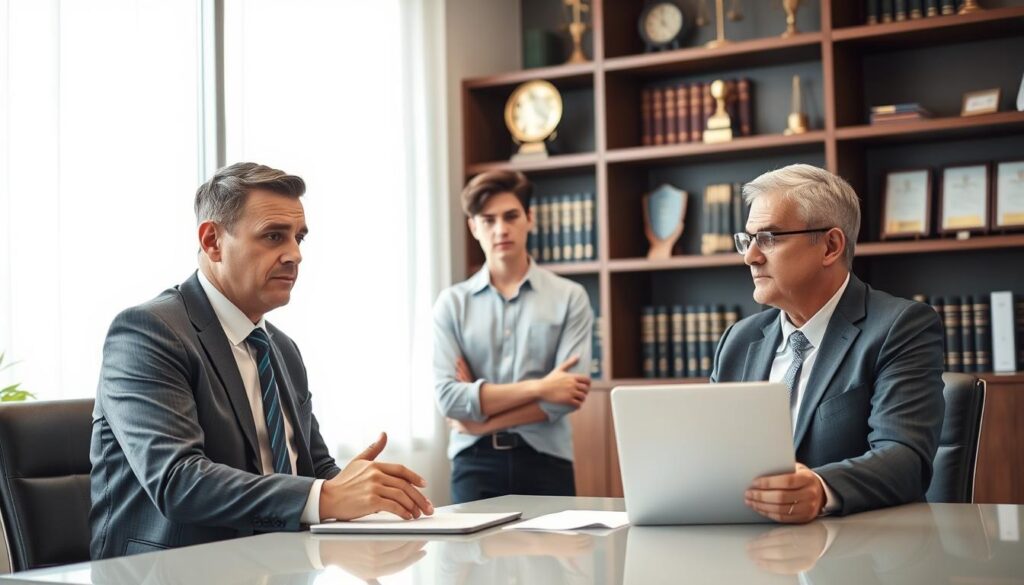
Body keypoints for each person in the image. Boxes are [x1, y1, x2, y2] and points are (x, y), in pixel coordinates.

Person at [90, 162, 432, 559]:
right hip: (173, 570)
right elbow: (178, 482)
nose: (295, 255)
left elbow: (314, 472)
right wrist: (327, 496)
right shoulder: (148, 332)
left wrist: (356, 488)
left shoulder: (280, 348)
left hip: (280, 565)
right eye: (274, 236)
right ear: (212, 241)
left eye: (299, 238)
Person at [710, 164, 945, 523]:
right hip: (744, 547)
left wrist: (821, 488)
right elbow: (711, 452)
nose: (750, 256)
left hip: (858, 556)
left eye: (769, 238)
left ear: (830, 246)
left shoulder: (901, 327)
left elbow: (905, 458)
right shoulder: (739, 340)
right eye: (748, 239)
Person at [433, 170, 593, 504]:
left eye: (511, 216)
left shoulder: (570, 297)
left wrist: (479, 420)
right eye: (488, 220)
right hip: (473, 464)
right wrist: (540, 386)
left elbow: (565, 396)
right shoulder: (452, 303)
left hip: (547, 461)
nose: (501, 229)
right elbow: (449, 398)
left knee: (552, 558)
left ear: (529, 219)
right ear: (473, 227)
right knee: (470, 557)